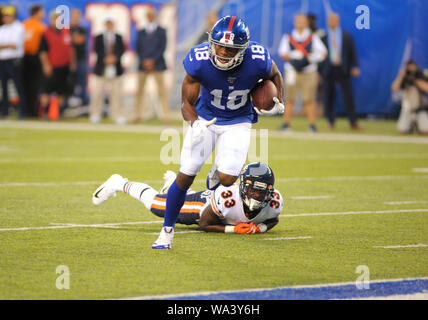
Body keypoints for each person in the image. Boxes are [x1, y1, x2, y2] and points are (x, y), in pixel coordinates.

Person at [151, 16, 285, 249]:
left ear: (242, 50)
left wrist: (279, 99)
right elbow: (185, 103)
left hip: (238, 120)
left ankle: (216, 170)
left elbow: (275, 74)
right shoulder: (199, 60)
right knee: (186, 176)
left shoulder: (258, 59)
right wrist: (194, 122)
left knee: (227, 179)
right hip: (206, 118)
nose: (222, 52)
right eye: (219, 45)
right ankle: (166, 232)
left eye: (230, 48)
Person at [92, 162, 283, 235]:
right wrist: (234, 230)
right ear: (243, 187)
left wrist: (261, 228)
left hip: (216, 206)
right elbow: (205, 224)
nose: (258, 195)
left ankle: (174, 187)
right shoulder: (228, 199)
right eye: (253, 190)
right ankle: (120, 183)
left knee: (171, 198)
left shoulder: (274, 202)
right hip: (204, 206)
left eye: (263, 191)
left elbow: (273, 219)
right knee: (157, 206)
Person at [278, 13, 327, 132]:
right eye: (298, 21)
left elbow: (323, 53)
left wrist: (312, 57)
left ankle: (312, 125)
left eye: (302, 21)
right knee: (289, 98)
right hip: (292, 71)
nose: (299, 23)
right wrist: (292, 55)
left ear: (306, 23)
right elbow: (282, 53)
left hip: (308, 71)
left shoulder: (312, 37)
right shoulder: (288, 37)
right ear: (295, 23)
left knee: (309, 99)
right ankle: (286, 124)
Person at [320, 13, 361, 130]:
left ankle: (353, 122)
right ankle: (330, 122)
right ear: (328, 22)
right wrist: (320, 71)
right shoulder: (323, 37)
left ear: (338, 21)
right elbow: (319, 56)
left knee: (348, 96)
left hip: (343, 69)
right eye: (330, 20)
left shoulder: (347, 36)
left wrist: (355, 66)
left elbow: (353, 53)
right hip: (329, 70)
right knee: (329, 96)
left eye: (334, 20)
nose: (332, 22)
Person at [134, 7, 169, 123]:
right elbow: (138, 48)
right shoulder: (141, 31)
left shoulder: (161, 31)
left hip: (158, 64)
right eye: (148, 15)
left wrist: (152, 60)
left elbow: (162, 48)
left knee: (161, 91)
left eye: (152, 15)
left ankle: (165, 115)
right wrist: (145, 60)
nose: (150, 17)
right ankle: (138, 115)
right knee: (140, 91)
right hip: (143, 64)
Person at [38, 10, 76, 118]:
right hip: (52, 65)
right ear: (51, 20)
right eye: (55, 19)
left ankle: (59, 112)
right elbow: (43, 52)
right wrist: (46, 65)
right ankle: (44, 112)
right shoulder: (46, 33)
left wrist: (72, 63)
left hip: (64, 66)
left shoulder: (67, 32)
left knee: (61, 91)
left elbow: (71, 49)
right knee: (46, 90)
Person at [89, 16, 126, 124]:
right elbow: (97, 50)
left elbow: (121, 50)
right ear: (105, 24)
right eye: (107, 23)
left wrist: (114, 58)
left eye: (111, 23)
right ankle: (95, 114)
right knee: (97, 93)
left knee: (116, 94)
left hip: (115, 68)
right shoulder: (99, 37)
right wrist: (105, 58)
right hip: (101, 68)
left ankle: (117, 115)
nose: (109, 25)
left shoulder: (118, 37)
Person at [0, 6, 25, 119]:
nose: (6, 18)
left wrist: (3, 46)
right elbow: (8, 45)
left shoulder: (18, 27)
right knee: (4, 88)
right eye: (4, 16)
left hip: (14, 61)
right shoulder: (2, 29)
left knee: (18, 86)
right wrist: (6, 46)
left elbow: (14, 45)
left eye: (8, 16)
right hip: (3, 61)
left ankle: (22, 112)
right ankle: (5, 112)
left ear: (13, 16)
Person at [391, 60, 428, 134]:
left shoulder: (421, 75)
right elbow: (394, 89)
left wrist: (415, 80)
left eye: (413, 67)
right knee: (402, 130)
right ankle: (410, 126)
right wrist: (401, 76)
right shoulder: (404, 77)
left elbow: (426, 88)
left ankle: (418, 125)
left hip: (420, 109)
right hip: (407, 109)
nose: (411, 70)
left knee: (425, 131)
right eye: (409, 68)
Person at [22, 4, 46, 117]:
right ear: (37, 12)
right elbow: (43, 46)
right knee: (35, 86)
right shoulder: (41, 27)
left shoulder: (23, 25)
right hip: (35, 57)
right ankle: (33, 111)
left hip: (23, 57)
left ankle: (25, 110)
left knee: (25, 85)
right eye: (42, 12)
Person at [70, 8, 89, 107]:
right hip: (69, 61)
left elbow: (79, 40)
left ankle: (84, 104)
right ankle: (69, 104)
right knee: (70, 83)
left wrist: (71, 38)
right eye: (74, 16)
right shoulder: (68, 29)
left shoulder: (81, 29)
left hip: (80, 59)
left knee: (82, 83)